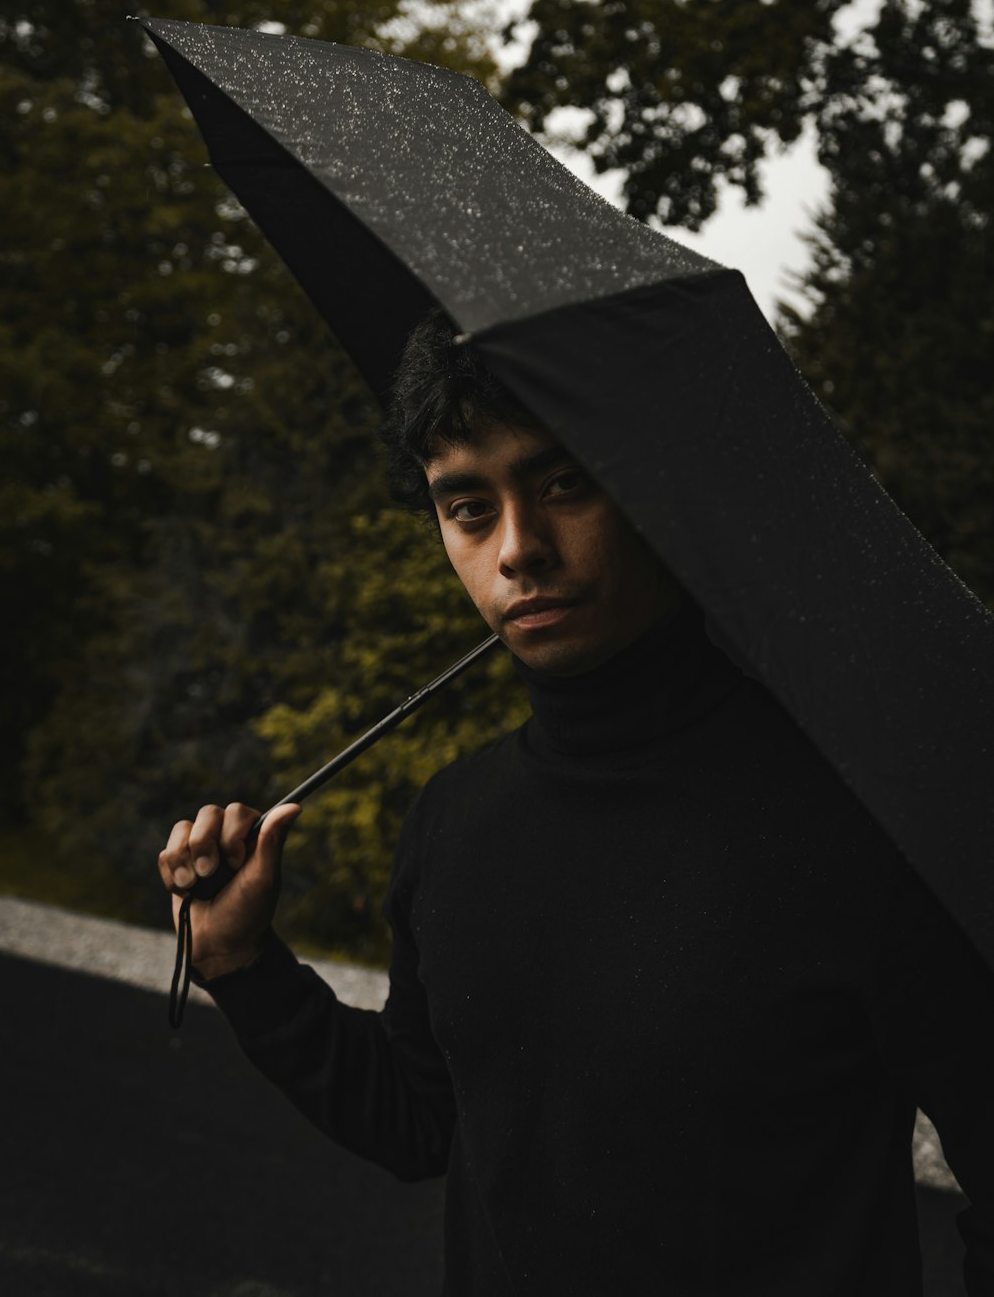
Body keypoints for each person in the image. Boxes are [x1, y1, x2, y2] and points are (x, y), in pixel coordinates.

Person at [159, 310, 994, 1295]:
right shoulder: (454, 821)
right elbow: (426, 1121)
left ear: (652, 491)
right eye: (467, 506)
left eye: (565, 483)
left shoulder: (860, 828)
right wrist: (243, 965)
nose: (518, 549)